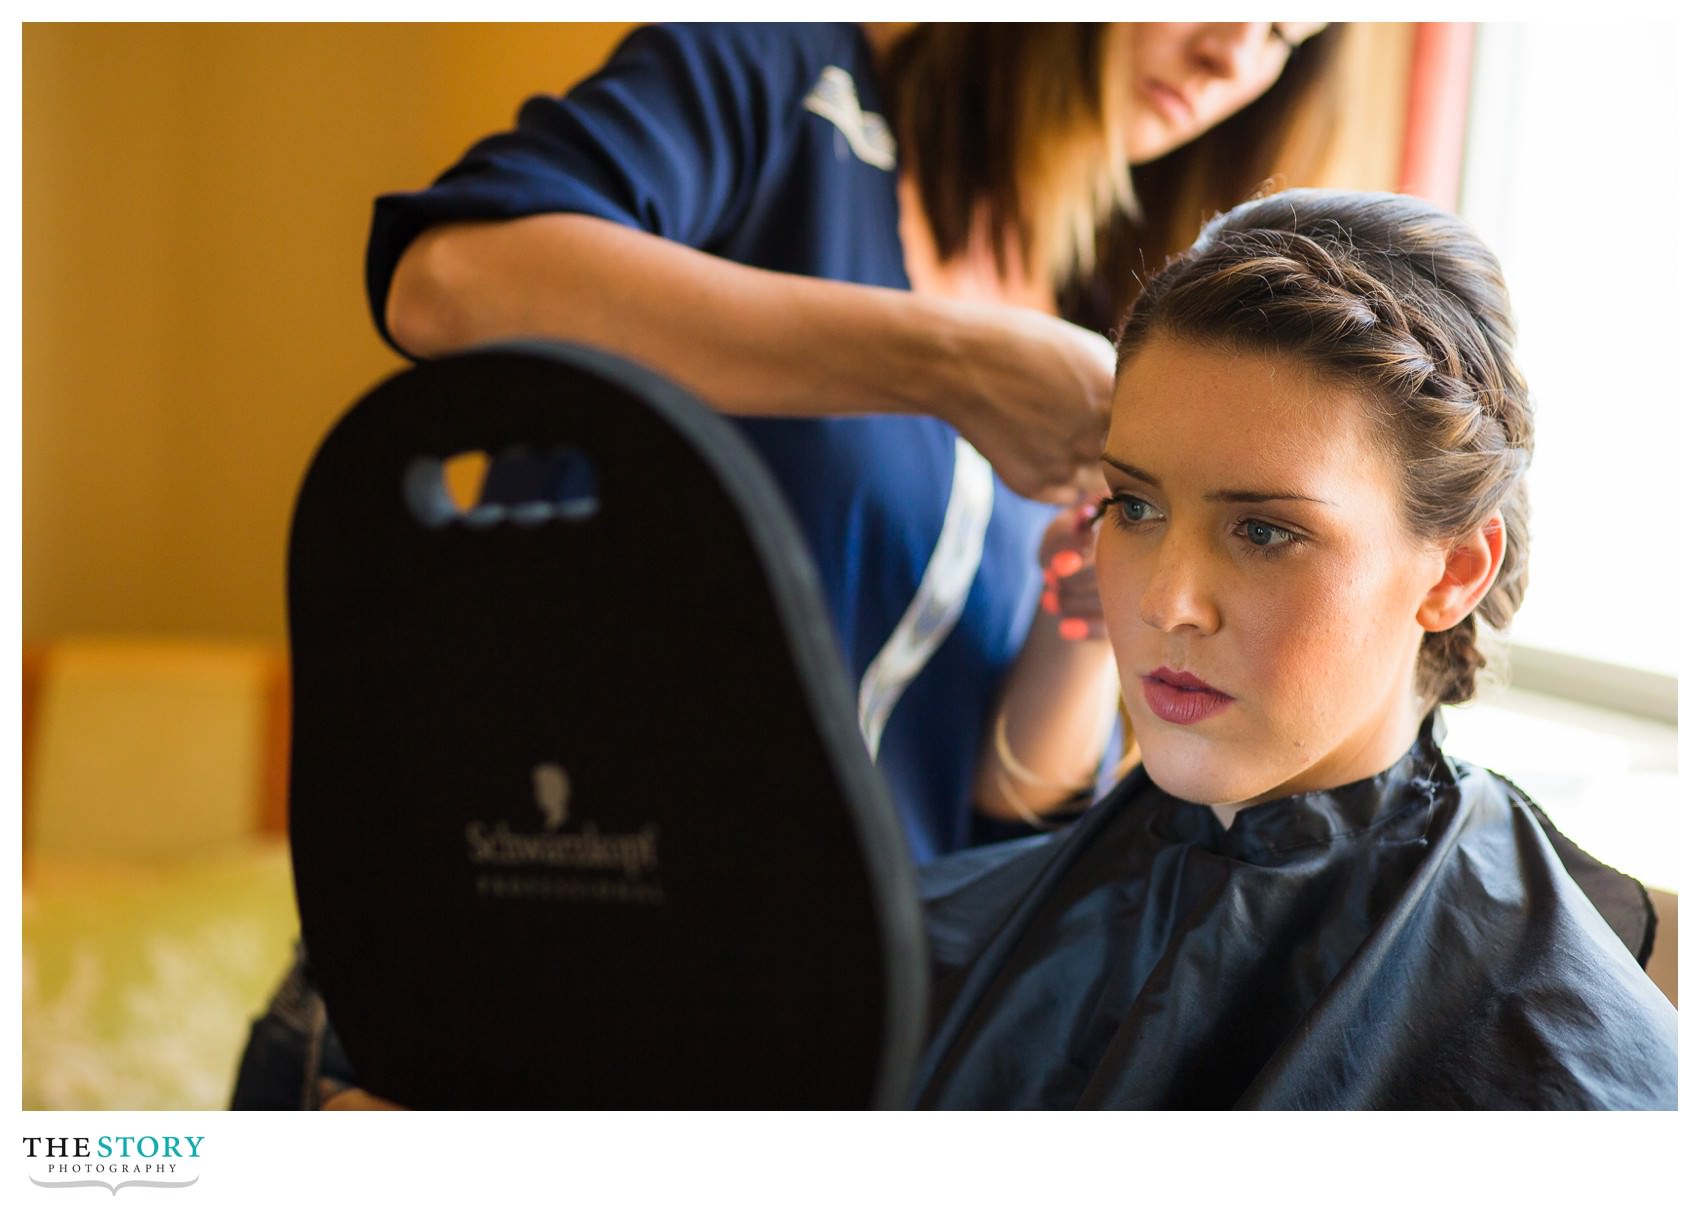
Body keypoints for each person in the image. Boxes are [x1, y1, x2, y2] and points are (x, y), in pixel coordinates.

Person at [367, 21, 1340, 864]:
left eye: (1280, 36)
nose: (1228, 55)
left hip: (829, 1025)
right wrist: (940, 361)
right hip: (531, 963)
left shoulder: (1103, 305)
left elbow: (998, 811)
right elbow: (446, 283)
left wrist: (1086, 615)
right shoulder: (774, 80)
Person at [912, 189, 1678, 1109]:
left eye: (1265, 532)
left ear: (1454, 571)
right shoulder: (906, 945)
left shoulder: (1575, 1089)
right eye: (1137, 507)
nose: (1167, 603)